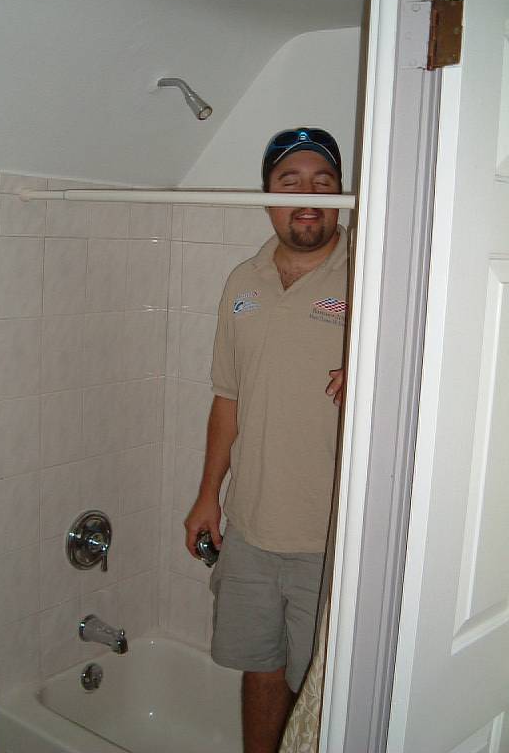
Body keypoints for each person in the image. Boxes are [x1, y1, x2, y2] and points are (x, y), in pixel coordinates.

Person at [184, 127, 348, 753]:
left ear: (342, 196)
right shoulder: (242, 282)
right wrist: (208, 496)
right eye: (290, 183)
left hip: (330, 539)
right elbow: (228, 397)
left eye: (323, 184)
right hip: (250, 529)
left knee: (323, 694)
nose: (307, 197)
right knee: (261, 671)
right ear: (268, 196)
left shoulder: (374, 276)